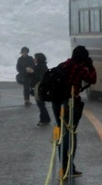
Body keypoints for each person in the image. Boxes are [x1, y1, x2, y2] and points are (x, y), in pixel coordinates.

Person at [51, 45, 97, 177]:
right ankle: (68, 167)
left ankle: (64, 166)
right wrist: (91, 66)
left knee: (62, 132)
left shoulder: (63, 65)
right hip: (69, 102)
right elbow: (92, 79)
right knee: (70, 134)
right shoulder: (80, 68)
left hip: (56, 101)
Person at [31, 53, 51, 126]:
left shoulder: (40, 66)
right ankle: (44, 118)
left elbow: (38, 76)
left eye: (35, 58)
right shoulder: (42, 66)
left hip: (39, 85)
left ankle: (45, 119)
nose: (34, 59)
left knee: (40, 102)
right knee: (40, 103)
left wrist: (32, 72)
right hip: (41, 85)